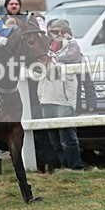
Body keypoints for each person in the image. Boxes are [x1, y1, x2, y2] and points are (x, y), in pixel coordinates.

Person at [37, 19, 85, 170]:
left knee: (67, 137)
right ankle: (65, 167)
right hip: (47, 96)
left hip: (64, 98)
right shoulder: (45, 47)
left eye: (62, 31)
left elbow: (71, 58)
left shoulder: (73, 45)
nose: (58, 35)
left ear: (67, 32)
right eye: (55, 32)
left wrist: (51, 58)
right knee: (54, 138)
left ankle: (76, 167)